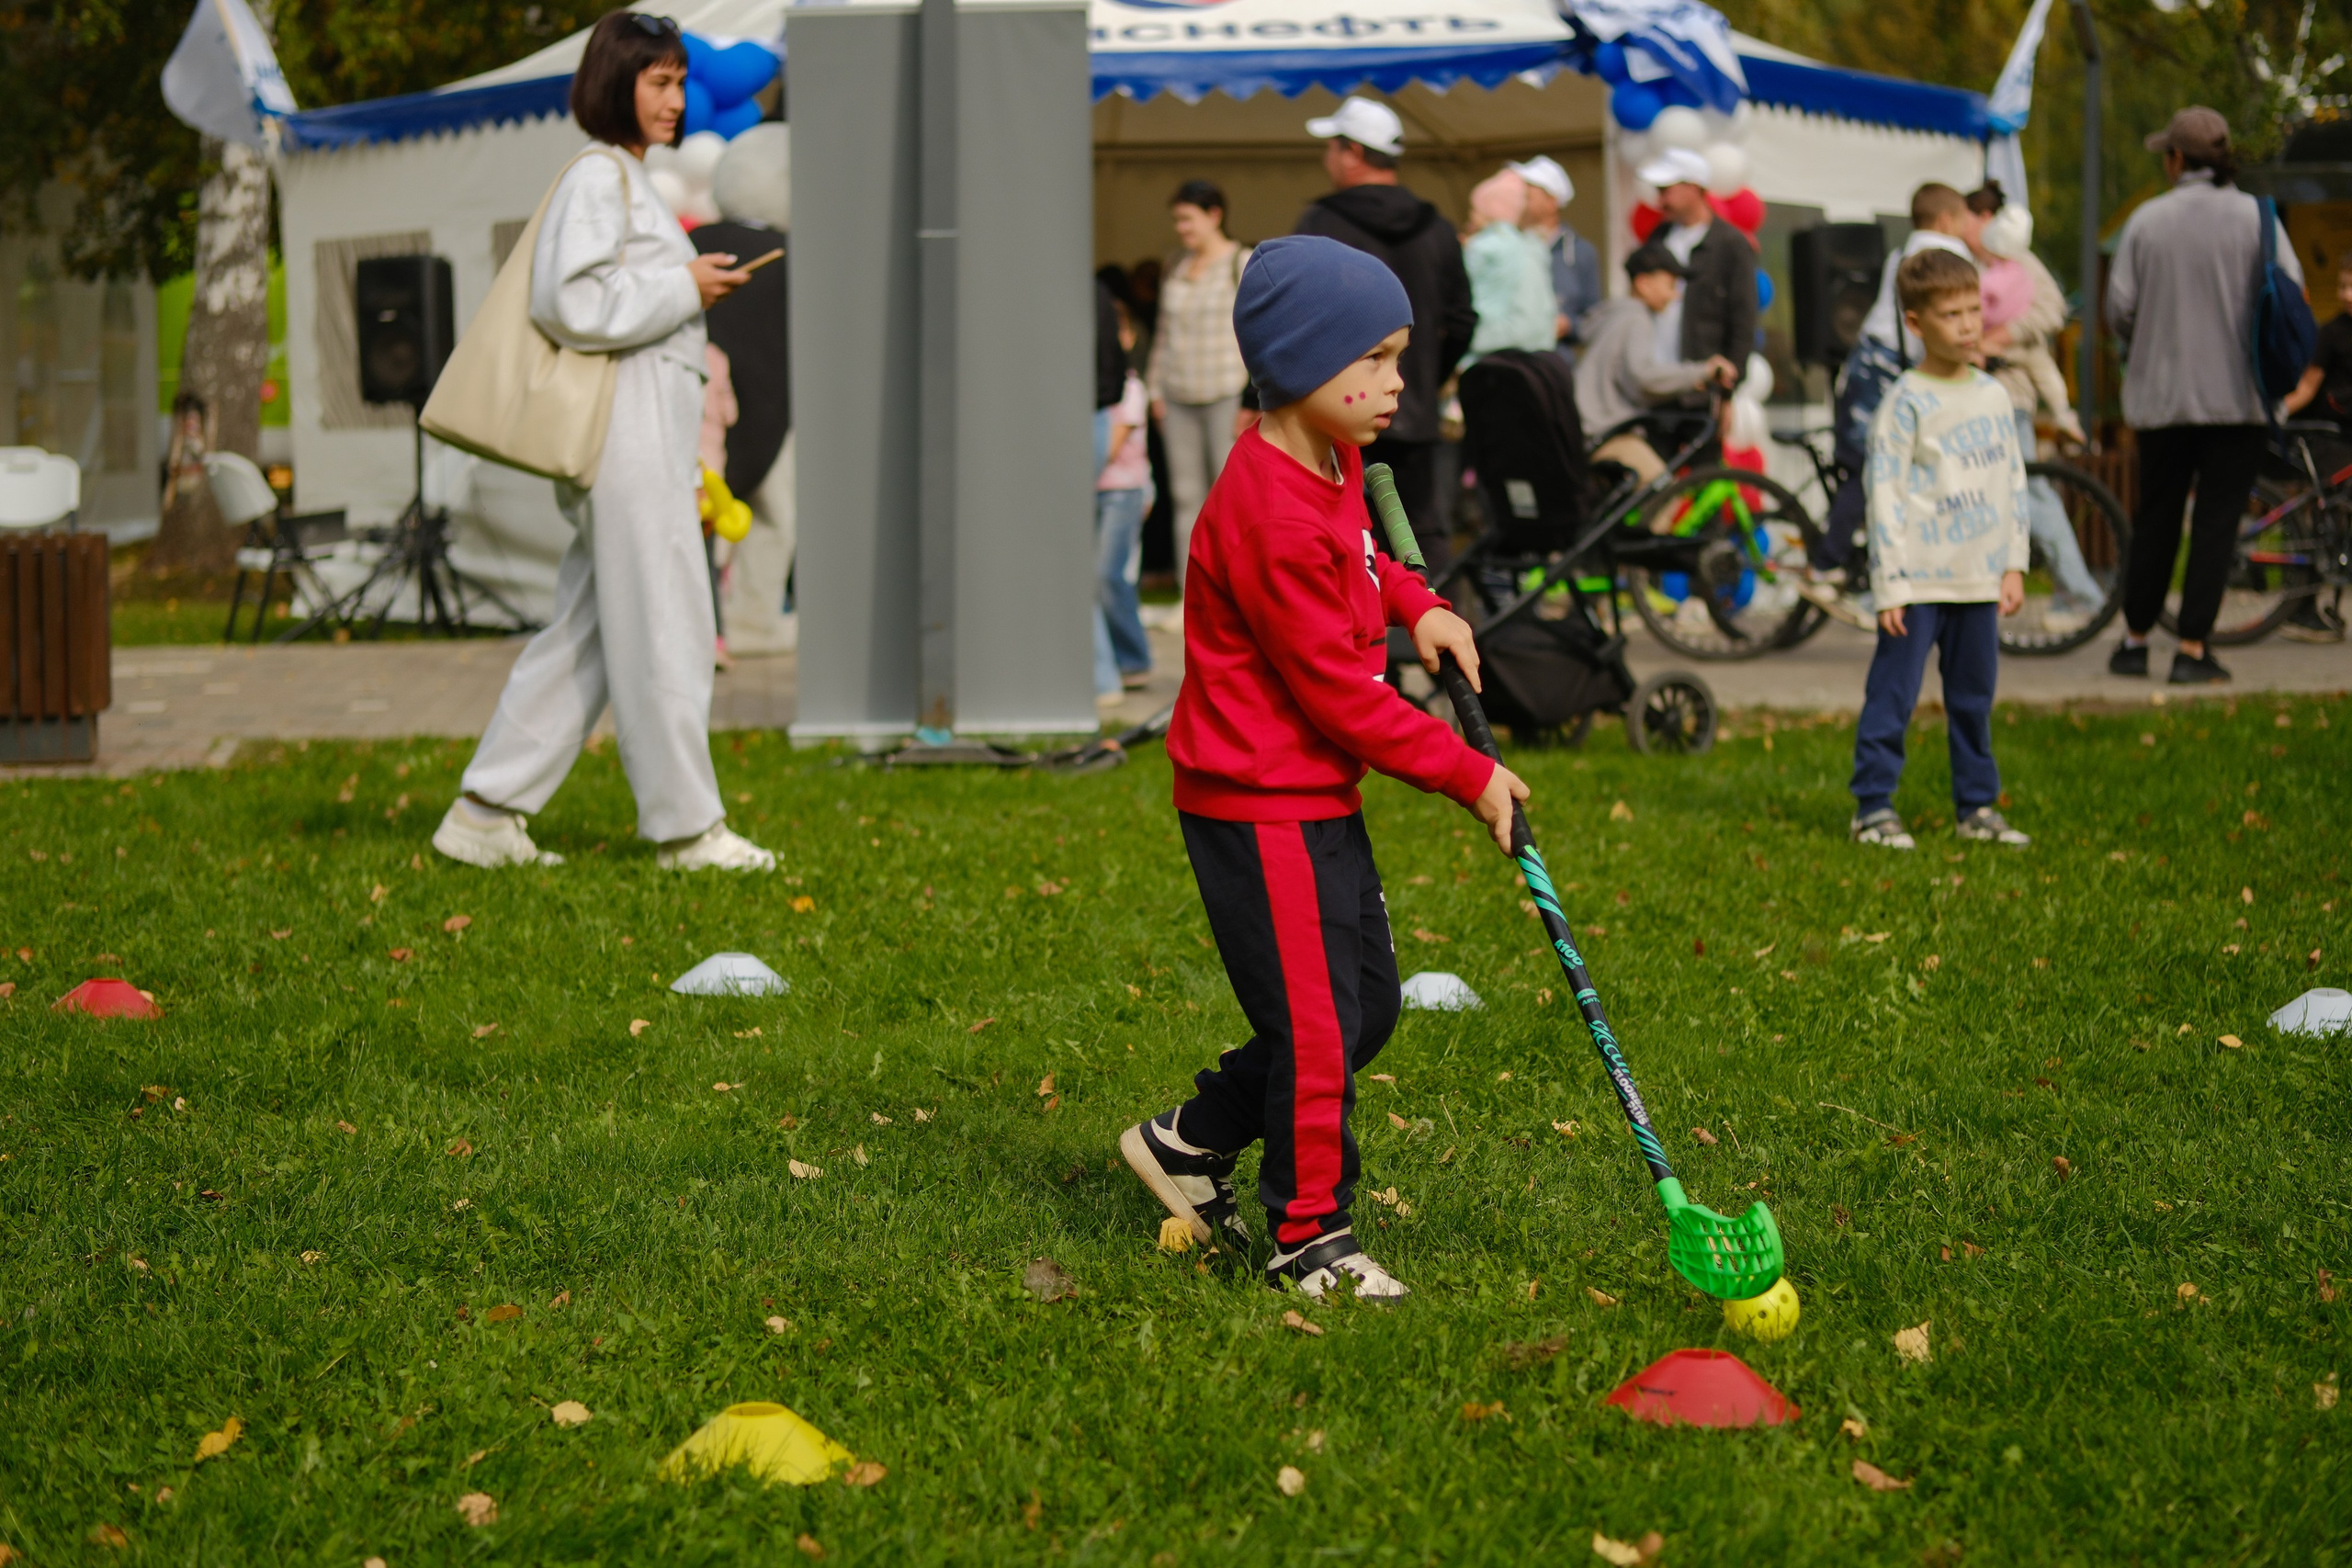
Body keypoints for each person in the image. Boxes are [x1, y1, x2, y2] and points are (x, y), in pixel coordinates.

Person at [1120, 235, 1526, 1302]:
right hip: (1258, 802)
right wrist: (1467, 773)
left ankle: (1190, 1142)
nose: (1400, 381)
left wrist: (1416, 602)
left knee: (1363, 1014)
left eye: (1402, 356)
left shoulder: (1333, 462)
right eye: (1379, 358)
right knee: (1313, 1030)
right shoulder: (1264, 512)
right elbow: (1343, 701)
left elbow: (1365, 556)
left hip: (1311, 796)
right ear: (1302, 360)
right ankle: (1310, 1236)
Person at [434, 10, 772, 874]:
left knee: (586, 633)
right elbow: (569, 302)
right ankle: (688, 829)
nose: (675, 98)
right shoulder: (599, 177)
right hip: (623, 443)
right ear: (615, 82)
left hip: (638, 440)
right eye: (658, 80)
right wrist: (683, 285)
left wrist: (683, 285)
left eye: (679, 81)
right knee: (665, 625)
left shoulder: (621, 179)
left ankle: (484, 812)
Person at [2107, 106, 2303, 684]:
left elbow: (2118, 310)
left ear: (2175, 159)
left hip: (2162, 403)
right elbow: (2288, 294)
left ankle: (2135, 641)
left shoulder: (2146, 222)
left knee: (2157, 519)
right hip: (2238, 403)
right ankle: (2192, 649)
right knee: (2217, 525)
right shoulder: (2258, 218)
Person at [1848, 248, 2031, 852]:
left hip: (1978, 581)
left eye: (1973, 309)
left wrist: (2013, 562)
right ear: (1916, 323)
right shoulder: (1905, 402)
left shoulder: (1994, 395)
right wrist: (1892, 584)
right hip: (1918, 584)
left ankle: (1977, 806)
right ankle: (1873, 808)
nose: (1968, 323)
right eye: (1951, 314)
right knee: (1893, 698)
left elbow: (2013, 482)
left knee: (1973, 699)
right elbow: (1884, 494)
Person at [1294, 95, 1477, 571]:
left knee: (1343, 538)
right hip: (1412, 413)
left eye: (1331, 147)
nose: (1325, 158)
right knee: (1421, 536)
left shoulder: (1321, 223)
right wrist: (1421, 377)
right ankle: (1443, 639)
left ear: (1352, 153)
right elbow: (1462, 320)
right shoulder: (1437, 227)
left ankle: (1356, 642)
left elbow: (1298, 319)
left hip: (1339, 418)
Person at [1802, 182, 1981, 626]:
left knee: (1875, 470)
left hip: (1867, 368)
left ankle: (1865, 568)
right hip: (1881, 374)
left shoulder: (1902, 254)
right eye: (1961, 221)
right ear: (1945, 221)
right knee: (1871, 471)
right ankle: (1825, 565)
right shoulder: (1944, 255)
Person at [1971, 188, 2104, 635]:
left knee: (2031, 495)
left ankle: (2082, 595)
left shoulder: (2015, 259)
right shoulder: (1985, 263)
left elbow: (2052, 310)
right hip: (1986, 392)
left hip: (2009, 394)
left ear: (1985, 218)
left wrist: (1998, 337)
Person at [693, 122, 795, 658]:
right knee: (774, 516)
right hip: (773, 409)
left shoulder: (692, 243)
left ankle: (705, 625)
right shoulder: (790, 256)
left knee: (699, 522)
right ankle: (752, 619)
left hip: (699, 414)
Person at [1146, 180, 1252, 592]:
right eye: (1176, 220)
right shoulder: (1174, 264)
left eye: (1187, 218)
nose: (1181, 228)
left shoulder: (1239, 263)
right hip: (1177, 396)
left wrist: (1251, 397)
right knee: (1185, 500)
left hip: (1226, 392)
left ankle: (1235, 594)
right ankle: (1194, 599)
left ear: (1214, 215)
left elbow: (1256, 331)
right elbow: (1162, 333)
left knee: (1229, 501)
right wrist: (1156, 390)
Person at [1573, 243, 1738, 486]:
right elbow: (1642, 378)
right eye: (1670, 286)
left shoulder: (1612, 315)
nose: (1676, 295)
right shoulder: (1636, 318)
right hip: (1606, 432)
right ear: (1643, 283)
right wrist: (1700, 372)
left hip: (1586, 428)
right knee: (1660, 490)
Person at [2278, 256, 2352, 643]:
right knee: (2329, 515)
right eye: (2342, 285)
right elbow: (2308, 386)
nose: (2346, 294)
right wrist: (2275, 413)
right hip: (2330, 436)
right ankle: (2304, 608)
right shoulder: (2332, 333)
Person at [1638, 148, 1758, 376]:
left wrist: (1729, 384)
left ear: (1693, 187)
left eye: (1666, 190)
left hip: (1702, 386)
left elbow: (1744, 319)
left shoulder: (1731, 244)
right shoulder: (1658, 237)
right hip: (1655, 380)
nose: (1660, 200)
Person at [1094, 315, 1154, 701]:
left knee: (1107, 576)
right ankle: (1122, 660)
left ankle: (1134, 659)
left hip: (1123, 493)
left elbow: (1109, 446)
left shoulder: (1131, 389)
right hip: (1095, 492)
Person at [1504, 154, 1602, 361]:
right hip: (1510, 360)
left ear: (1552, 202)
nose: (1520, 196)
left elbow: (1595, 317)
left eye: (1529, 191)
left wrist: (1569, 325)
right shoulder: (1505, 246)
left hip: (1556, 364)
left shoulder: (1581, 252)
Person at [1461, 169, 1560, 362]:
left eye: (1475, 209)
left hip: (1486, 351)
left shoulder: (1482, 247)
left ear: (1490, 210)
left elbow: (1463, 300)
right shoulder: (1535, 248)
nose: (1471, 216)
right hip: (1536, 356)